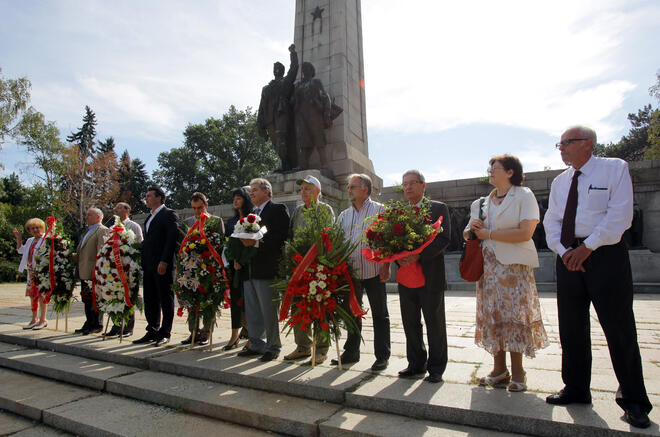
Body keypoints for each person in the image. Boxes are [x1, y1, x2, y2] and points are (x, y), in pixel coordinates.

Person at [543, 125, 651, 428]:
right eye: (559, 144)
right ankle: (576, 388)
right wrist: (564, 251)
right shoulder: (560, 182)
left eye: (567, 143)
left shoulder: (614, 169)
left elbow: (620, 216)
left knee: (619, 328)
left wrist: (587, 248)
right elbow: (551, 221)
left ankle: (633, 400)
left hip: (604, 255)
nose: (561, 148)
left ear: (587, 144)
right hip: (568, 257)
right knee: (572, 328)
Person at [465, 155, 548, 392]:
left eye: (495, 168)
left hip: (513, 268)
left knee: (514, 317)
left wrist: (489, 234)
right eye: (489, 167)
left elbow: (525, 232)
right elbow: (468, 233)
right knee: (493, 318)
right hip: (488, 270)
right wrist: (472, 230)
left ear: (510, 172)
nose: (490, 171)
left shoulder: (524, 195)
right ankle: (499, 369)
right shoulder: (480, 203)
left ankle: (519, 372)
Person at [397, 170, 451, 383]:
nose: (408, 187)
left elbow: (444, 239)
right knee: (410, 322)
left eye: (412, 183)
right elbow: (391, 242)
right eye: (404, 184)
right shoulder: (398, 213)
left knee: (434, 322)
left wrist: (419, 255)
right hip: (406, 278)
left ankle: (436, 368)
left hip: (430, 276)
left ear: (423, 185)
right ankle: (416, 363)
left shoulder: (438, 208)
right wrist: (398, 258)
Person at [335, 173, 391, 371]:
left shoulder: (380, 210)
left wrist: (386, 265)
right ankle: (351, 352)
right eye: (348, 187)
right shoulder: (344, 215)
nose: (348, 190)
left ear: (365, 189)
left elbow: (387, 242)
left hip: (375, 270)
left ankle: (382, 356)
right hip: (351, 273)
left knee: (380, 314)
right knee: (352, 313)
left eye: (352, 187)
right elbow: (338, 241)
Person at [283, 175, 335, 364]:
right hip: (299, 269)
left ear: (318, 192)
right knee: (298, 308)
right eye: (302, 189)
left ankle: (321, 349)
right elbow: (290, 237)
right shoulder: (297, 212)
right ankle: (303, 346)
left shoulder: (325, 209)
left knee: (320, 308)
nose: (303, 192)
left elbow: (330, 237)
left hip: (318, 267)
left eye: (308, 189)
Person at [236, 178, 290, 361]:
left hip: (268, 268)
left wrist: (256, 242)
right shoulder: (250, 213)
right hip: (250, 269)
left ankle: (273, 346)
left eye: (255, 190)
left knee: (268, 310)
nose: (251, 193)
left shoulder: (277, 209)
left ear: (267, 191)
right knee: (252, 310)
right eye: (250, 190)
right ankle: (256, 344)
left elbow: (280, 237)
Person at [133, 186, 179, 347]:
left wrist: (165, 261)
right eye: (145, 196)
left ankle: (165, 332)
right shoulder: (149, 217)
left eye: (149, 196)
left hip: (162, 265)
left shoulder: (168, 214)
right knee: (150, 298)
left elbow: (171, 239)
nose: (146, 198)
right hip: (149, 265)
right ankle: (152, 329)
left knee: (165, 298)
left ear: (159, 198)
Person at [180, 192, 225, 346]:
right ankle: (193, 333)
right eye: (194, 208)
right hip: (192, 268)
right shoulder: (188, 222)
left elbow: (220, 245)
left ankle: (206, 333)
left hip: (210, 267)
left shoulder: (216, 221)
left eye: (200, 208)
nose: (197, 212)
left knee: (208, 302)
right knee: (191, 301)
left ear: (206, 205)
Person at [257, 44, 299, 171]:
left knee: (282, 139)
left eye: (279, 68)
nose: (276, 70)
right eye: (275, 68)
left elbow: (294, 68)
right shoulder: (266, 88)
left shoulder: (285, 82)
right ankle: (284, 163)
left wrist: (293, 53)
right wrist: (260, 125)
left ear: (282, 70)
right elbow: (261, 107)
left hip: (282, 114)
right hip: (270, 118)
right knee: (276, 143)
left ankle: (288, 164)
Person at [105, 202, 143, 338]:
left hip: (128, 268)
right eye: (115, 207)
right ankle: (116, 325)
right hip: (113, 269)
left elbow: (139, 244)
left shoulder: (133, 226)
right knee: (114, 296)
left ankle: (128, 327)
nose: (116, 209)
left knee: (129, 296)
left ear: (128, 210)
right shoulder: (111, 228)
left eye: (119, 207)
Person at [223, 186, 254, 350]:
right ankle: (234, 336)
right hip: (233, 267)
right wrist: (233, 260)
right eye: (234, 198)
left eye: (239, 198)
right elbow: (228, 244)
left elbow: (252, 244)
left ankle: (250, 333)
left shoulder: (252, 219)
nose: (235, 201)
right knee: (235, 301)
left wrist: (242, 260)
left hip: (248, 267)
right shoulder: (230, 222)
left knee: (249, 302)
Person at [292, 61, 332, 171]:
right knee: (303, 140)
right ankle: (303, 164)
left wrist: (327, 113)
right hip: (301, 115)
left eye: (307, 68)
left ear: (311, 71)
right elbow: (294, 101)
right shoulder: (298, 85)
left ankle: (324, 163)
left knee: (319, 138)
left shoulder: (316, 82)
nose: (305, 70)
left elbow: (325, 97)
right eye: (303, 69)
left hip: (314, 114)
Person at [75, 208, 108, 335]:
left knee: (95, 299)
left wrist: (99, 271)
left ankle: (97, 323)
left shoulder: (102, 230)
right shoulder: (87, 231)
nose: (86, 216)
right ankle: (88, 322)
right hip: (84, 270)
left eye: (90, 214)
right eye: (86, 214)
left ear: (98, 217)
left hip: (94, 271)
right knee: (86, 298)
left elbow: (102, 251)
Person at [13, 218, 48, 330]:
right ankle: (34, 319)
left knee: (42, 296)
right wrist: (19, 239)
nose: (36, 230)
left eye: (37, 227)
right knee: (33, 296)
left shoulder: (46, 239)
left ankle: (43, 320)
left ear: (42, 228)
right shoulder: (30, 240)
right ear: (29, 230)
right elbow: (20, 250)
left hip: (42, 273)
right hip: (31, 273)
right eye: (33, 228)